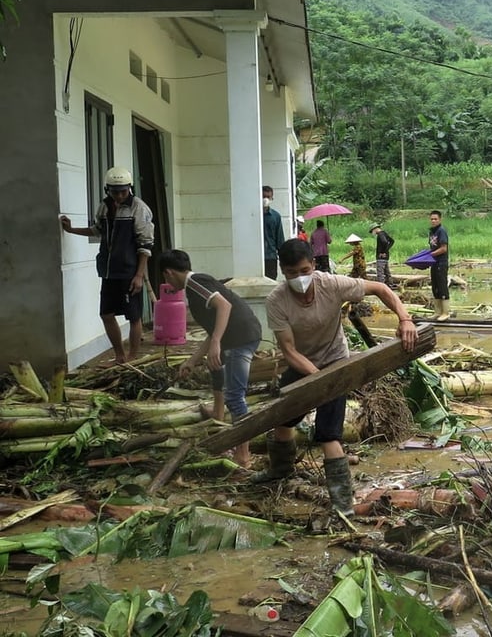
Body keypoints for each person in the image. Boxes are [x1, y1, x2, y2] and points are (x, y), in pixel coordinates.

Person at [256, 239, 418, 515]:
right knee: (282, 420)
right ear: (282, 271)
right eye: (292, 273)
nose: (300, 278)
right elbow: (289, 350)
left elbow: (380, 288)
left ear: (314, 265)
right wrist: (318, 379)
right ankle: (280, 471)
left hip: (336, 362)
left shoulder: (332, 284)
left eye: (304, 271)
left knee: (328, 435)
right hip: (301, 364)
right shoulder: (277, 300)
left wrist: (404, 319)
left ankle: (343, 505)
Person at [157, 249, 261, 467]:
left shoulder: (195, 282)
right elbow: (213, 330)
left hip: (240, 337)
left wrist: (216, 342)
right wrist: (192, 361)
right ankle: (218, 415)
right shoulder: (194, 287)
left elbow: (224, 305)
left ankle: (243, 455)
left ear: (168, 273)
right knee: (215, 367)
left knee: (235, 396)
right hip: (235, 335)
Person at [60, 166, 154, 364]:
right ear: (107, 190)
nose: (119, 195)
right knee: (106, 314)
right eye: (114, 191)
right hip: (108, 272)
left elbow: (145, 246)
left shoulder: (139, 208)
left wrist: (138, 275)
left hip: (128, 271)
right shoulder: (104, 207)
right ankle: (119, 355)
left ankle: (132, 357)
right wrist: (71, 230)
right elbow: (97, 230)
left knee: (134, 316)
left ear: (130, 188)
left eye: (123, 191)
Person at [427, 210, 449, 321]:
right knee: (435, 287)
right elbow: (432, 247)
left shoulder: (441, 231)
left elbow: (443, 248)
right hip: (434, 262)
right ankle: (437, 312)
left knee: (442, 286)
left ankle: (445, 312)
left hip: (441, 262)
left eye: (435, 219)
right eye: (431, 219)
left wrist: (430, 254)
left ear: (440, 219)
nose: (433, 221)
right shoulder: (432, 232)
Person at [262, 185, 285, 280]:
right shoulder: (252, 215)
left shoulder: (275, 216)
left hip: (270, 256)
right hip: (254, 256)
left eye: (268, 197)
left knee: (271, 281)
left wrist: (282, 258)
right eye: (263, 196)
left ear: (272, 198)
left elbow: (280, 238)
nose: (265, 199)